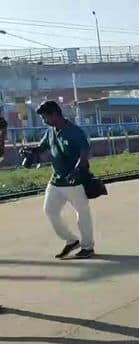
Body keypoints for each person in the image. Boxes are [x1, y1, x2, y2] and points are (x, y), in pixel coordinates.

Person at [23, 101, 95, 259]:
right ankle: (71, 240)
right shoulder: (50, 131)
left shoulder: (74, 131)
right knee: (50, 210)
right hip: (56, 181)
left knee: (82, 213)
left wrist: (77, 169)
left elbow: (85, 152)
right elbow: (42, 147)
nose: (44, 121)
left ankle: (88, 247)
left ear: (55, 114)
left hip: (74, 181)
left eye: (45, 117)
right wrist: (31, 150)